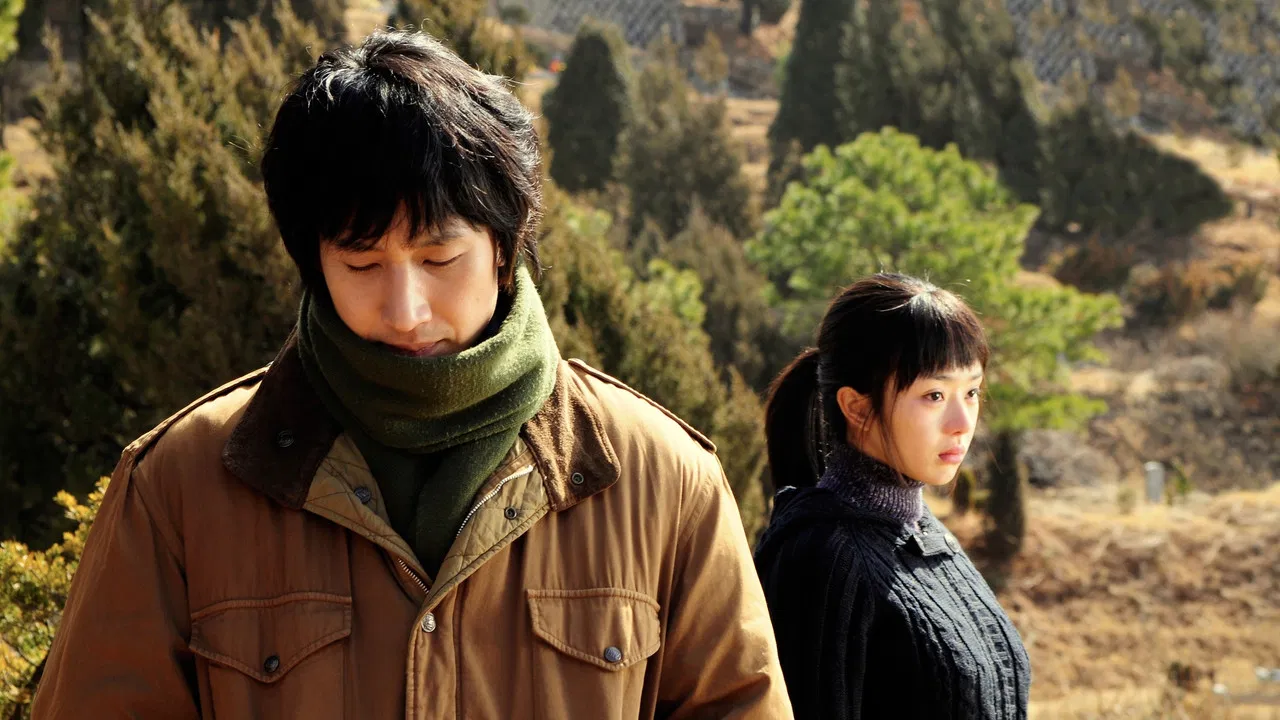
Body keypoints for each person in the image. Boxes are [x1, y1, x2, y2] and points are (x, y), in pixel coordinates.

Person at [32, 29, 792, 719]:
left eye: (439, 258)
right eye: (362, 265)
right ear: (313, 262)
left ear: (504, 245)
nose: (405, 310)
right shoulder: (181, 485)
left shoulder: (663, 481)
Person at [753, 273, 1031, 719]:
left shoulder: (923, 531)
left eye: (971, 392)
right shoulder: (823, 558)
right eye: (934, 395)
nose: (963, 422)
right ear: (857, 406)